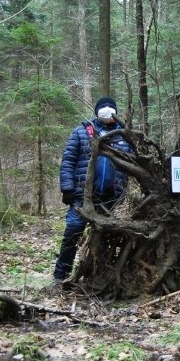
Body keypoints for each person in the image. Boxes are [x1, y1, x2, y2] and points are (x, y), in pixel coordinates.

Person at [53, 96, 134, 283]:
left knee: (106, 236)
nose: (107, 110)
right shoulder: (82, 132)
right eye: (103, 107)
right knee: (73, 231)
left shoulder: (123, 136)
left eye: (110, 107)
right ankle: (60, 275)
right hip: (82, 196)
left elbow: (133, 163)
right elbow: (68, 162)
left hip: (111, 199)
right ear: (97, 111)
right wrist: (67, 189)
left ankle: (99, 275)